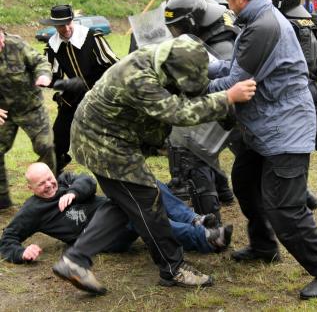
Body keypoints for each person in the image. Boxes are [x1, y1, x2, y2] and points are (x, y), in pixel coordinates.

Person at [52, 37, 256, 293]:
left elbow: (190, 88)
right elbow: (176, 111)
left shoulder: (163, 58)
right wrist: (227, 98)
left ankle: (75, 260)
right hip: (104, 145)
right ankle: (174, 268)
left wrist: (225, 113)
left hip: (106, 139)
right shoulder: (139, 77)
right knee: (150, 202)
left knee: (126, 204)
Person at [208, 0, 317, 300]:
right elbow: (232, 66)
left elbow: (236, 82)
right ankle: (264, 246)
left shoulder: (262, 24)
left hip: (284, 129)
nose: (228, 6)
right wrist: (197, 65)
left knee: (285, 209)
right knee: (246, 184)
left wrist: (196, 88)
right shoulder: (255, 20)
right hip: (266, 127)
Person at [0, 163, 232, 265]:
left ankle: (193, 219)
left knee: (146, 185)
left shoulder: (63, 181)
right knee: (138, 216)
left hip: (113, 210)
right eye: (41, 184)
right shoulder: (32, 211)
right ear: (30, 189)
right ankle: (205, 239)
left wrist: (73, 193)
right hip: (106, 236)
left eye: (50, 178)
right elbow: (7, 240)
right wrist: (22, 253)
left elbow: (87, 181)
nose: (50, 185)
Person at [164, 0, 240, 218]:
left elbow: (230, 77)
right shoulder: (207, 31)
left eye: (177, 27)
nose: (175, 33)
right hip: (221, 104)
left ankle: (210, 223)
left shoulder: (221, 37)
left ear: (191, 20)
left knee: (194, 156)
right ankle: (222, 197)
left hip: (233, 106)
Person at [269, 0, 317, 198]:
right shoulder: (306, 20)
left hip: (301, 89)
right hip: (312, 86)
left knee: (310, 141)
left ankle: (298, 194)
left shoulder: (291, 25)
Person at [40, 5, 118, 174]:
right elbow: (52, 76)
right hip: (74, 95)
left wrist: (104, 88)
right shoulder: (53, 46)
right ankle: (51, 171)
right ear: (54, 26)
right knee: (59, 134)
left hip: (101, 92)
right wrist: (64, 85)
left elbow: (114, 65)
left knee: (107, 135)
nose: (66, 28)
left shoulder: (92, 38)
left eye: (69, 23)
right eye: (61, 25)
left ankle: (116, 169)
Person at [0, 27, 55, 210]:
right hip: (4, 111)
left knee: (45, 146)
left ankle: (49, 195)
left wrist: (43, 76)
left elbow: (40, 62)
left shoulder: (16, 44)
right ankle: (3, 201)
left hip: (31, 107)